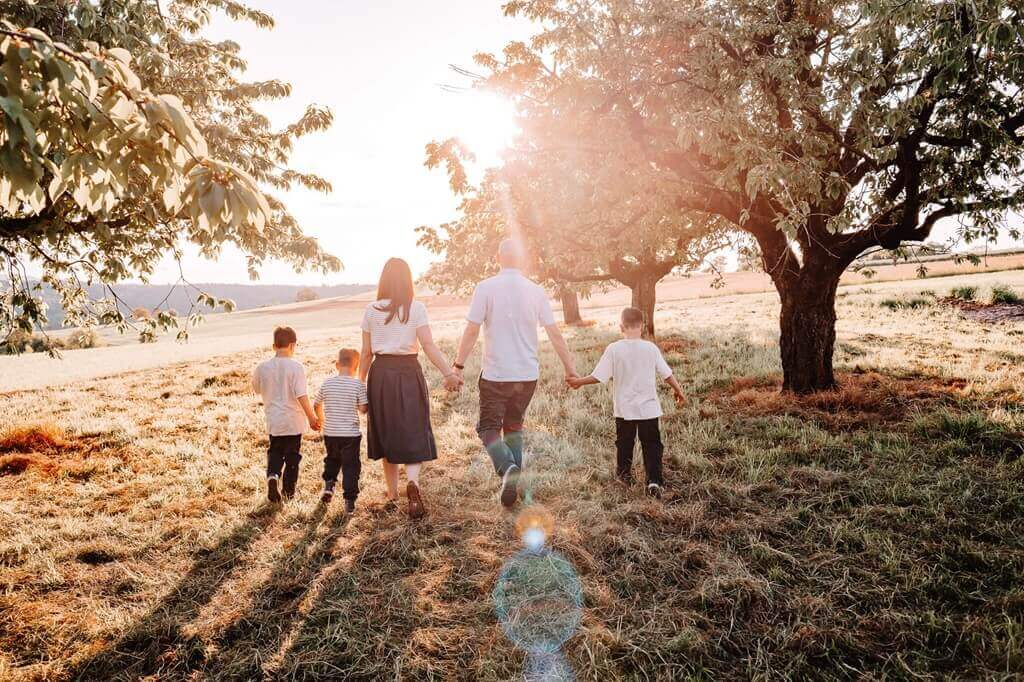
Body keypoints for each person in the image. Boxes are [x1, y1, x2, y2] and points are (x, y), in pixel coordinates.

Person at [450, 238, 577, 508]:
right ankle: (513, 487)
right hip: (527, 375)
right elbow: (554, 332)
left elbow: (472, 330)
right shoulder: (536, 291)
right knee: (514, 427)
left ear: (498, 258)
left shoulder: (485, 288)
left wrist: (458, 366)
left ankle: (507, 467)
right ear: (522, 260)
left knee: (487, 428)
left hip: (497, 374)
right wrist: (570, 369)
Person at [360, 257, 460, 519]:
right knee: (413, 428)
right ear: (408, 280)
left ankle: (393, 493)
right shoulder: (417, 308)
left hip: (381, 375)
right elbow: (428, 345)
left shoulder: (371, 309)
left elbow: (366, 352)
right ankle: (413, 482)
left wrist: (359, 384)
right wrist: (448, 373)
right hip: (409, 372)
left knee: (387, 430)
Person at [567, 307, 686, 498]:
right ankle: (654, 481)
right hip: (648, 408)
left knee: (624, 443)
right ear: (643, 326)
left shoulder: (614, 349)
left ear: (621, 326)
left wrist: (579, 382)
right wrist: (678, 390)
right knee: (652, 444)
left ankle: (624, 477)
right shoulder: (650, 348)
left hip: (624, 408)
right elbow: (667, 374)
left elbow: (599, 376)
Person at [252, 326, 320, 503]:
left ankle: (273, 475)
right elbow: (301, 395)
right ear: (293, 345)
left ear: (274, 346)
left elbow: (256, 388)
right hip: (293, 421)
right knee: (292, 457)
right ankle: (288, 492)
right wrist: (312, 417)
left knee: (275, 451)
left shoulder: (262, 367)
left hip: (274, 421)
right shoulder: (296, 367)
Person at [312, 348, 368, 513]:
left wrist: (321, 419)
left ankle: (329, 485)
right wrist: (358, 403)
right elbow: (363, 409)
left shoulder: (327, 383)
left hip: (331, 433)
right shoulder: (358, 384)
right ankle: (349, 501)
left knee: (332, 459)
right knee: (351, 467)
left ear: (337, 365)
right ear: (356, 367)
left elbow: (316, 404)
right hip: (350, 435)